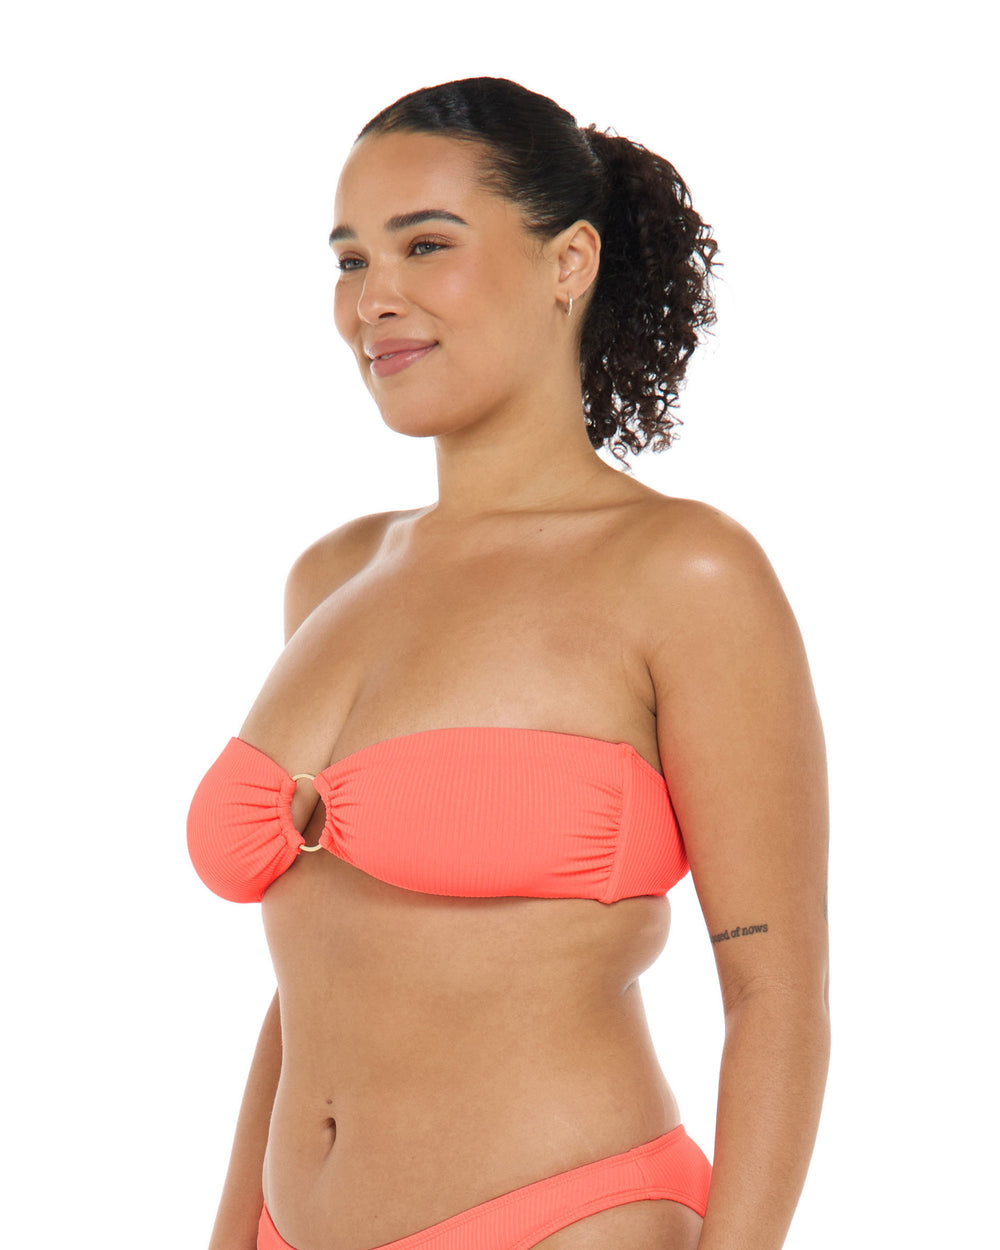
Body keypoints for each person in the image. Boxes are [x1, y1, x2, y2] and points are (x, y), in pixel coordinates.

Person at [187, 76, 830, 1250]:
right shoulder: (330, 577)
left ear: (568, 261)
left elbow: (773, 994)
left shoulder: (683, 570)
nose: (374, 298)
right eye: (350, 259)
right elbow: (315, 974)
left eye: (425, 245)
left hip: (565, 1217)